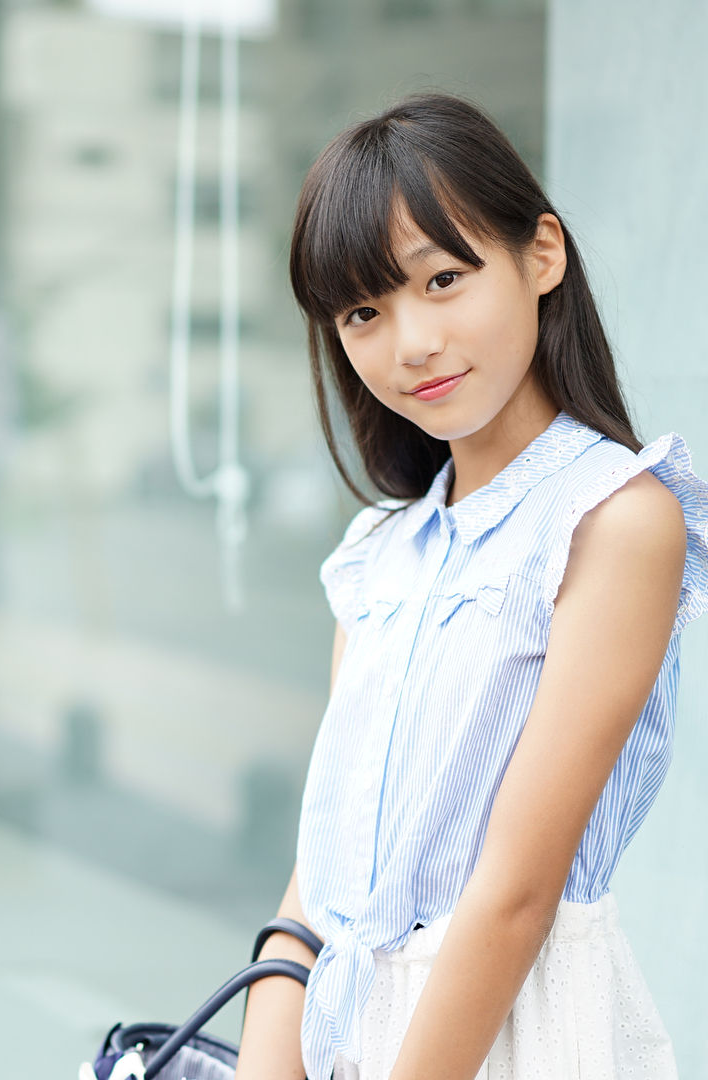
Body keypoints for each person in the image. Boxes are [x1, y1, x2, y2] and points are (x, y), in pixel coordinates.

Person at [235, 90, 708, 1080]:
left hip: (519, 1036)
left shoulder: (614, 520)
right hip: (340, 1034)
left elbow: (514, 895)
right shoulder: (379, 558)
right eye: (364, 311)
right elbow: (322, 876)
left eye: (444, 278)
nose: (410, 343)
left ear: (542, 254)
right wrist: (267, 1055)